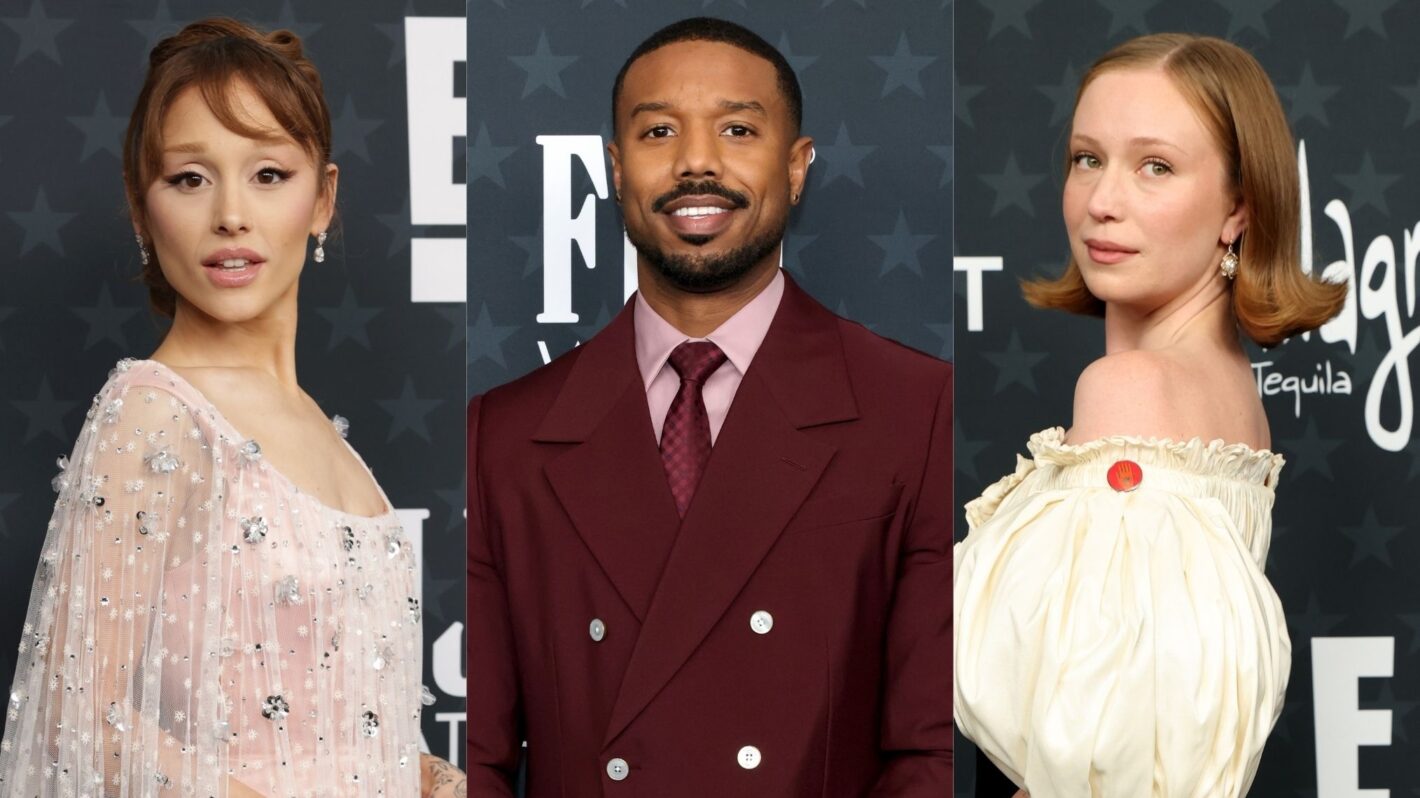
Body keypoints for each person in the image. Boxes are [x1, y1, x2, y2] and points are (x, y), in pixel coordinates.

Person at [467, 16, 952, 798]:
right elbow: (479, 765)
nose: (696, 161)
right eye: (659, 132)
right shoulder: (504, 435)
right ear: (616, 169)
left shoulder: (915, 408)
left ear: (796, 166)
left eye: (737, 129)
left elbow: (929, 752)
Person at [0, 18, 464, 798]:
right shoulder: (152, 416)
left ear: (323, 199)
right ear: (141, 209)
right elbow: (76, 719)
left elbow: (333, 731)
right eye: (190, 178)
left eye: (269, 174)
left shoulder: (320, 428)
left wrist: (427, 776)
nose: (231, 215)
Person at [953, 33, 1347, 798]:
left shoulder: (1130, 389)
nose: (1102, 201)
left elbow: (1100, 758)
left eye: (1155, 167)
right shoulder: (1229, 392)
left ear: (1238, 208)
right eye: (1087, 159)